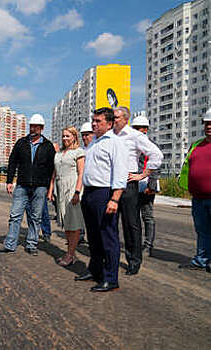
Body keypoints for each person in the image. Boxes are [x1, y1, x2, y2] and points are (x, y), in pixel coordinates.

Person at [75, 107, 128, 292]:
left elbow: (120, 173)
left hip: (104, 193)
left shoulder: (115, 143)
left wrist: (115, 199)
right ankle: (95, 271)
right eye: (93, 121)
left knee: (108, 237)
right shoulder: (94, 142)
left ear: (110, 123)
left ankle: (111, 279)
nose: (94, 124)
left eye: (98, 121)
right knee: (94, 237)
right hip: (89, 193)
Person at [0, 113, 55, 255]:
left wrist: (49, 187)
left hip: (40, 188)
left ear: (42, 128)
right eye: (31, 126)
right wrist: (9, 181)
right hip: (22, 186)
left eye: (36, 126)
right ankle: (9, 245)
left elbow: (52, 168)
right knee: (15, 215)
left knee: (35, 217)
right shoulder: (21, 143)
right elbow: (12, 162)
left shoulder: (48, 146)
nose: (33, 128)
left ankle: (31, 245)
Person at [112, 107, 163, 275]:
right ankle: (110, 257)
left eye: (117, 117)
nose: (114, 120)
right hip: (111, 184)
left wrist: (143, 175)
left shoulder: (135, 136)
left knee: (130, 224)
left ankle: (134, 260)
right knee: (110, 222)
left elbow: (156, 154)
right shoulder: (110, 135)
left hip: (128, 185)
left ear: (125, 119)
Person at [47, 126, 85, 266]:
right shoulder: (59, 153)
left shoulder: (78, 152)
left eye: (68, 136)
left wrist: (77, 192)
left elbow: (81, 173)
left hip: (72, 189)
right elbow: (54, 173)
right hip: (60, 189)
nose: (65, 138)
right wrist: (50, 191)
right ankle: (71, 253)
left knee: (73, 224)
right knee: (66, 223)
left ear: (74, 137)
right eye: (63, 136)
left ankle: (69, 255)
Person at [178, 109, 211, 272]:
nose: (209, 126)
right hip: (198, 197)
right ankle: (201, 260)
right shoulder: (196, 144)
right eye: (207, 123)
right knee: (202, 230)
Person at [130, 116, 160, 256]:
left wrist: (151, 185)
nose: (136, 131)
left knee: (147, 216)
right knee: (133, 216)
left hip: (146, 185)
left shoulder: (150, 145)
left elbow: (155, 166)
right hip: (133, 185)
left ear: (146, 129)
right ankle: (135, 244)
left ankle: (148, 245)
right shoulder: (131, 144)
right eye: (134, 128)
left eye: (139, 128)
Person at [78, 121, 94, 244]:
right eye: (83, 135)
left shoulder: (97, 147)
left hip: (94, 188)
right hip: (82, 186)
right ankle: (80, 236)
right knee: (81, 214)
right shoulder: (81, 150)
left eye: (87, 134)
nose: (84, 137)